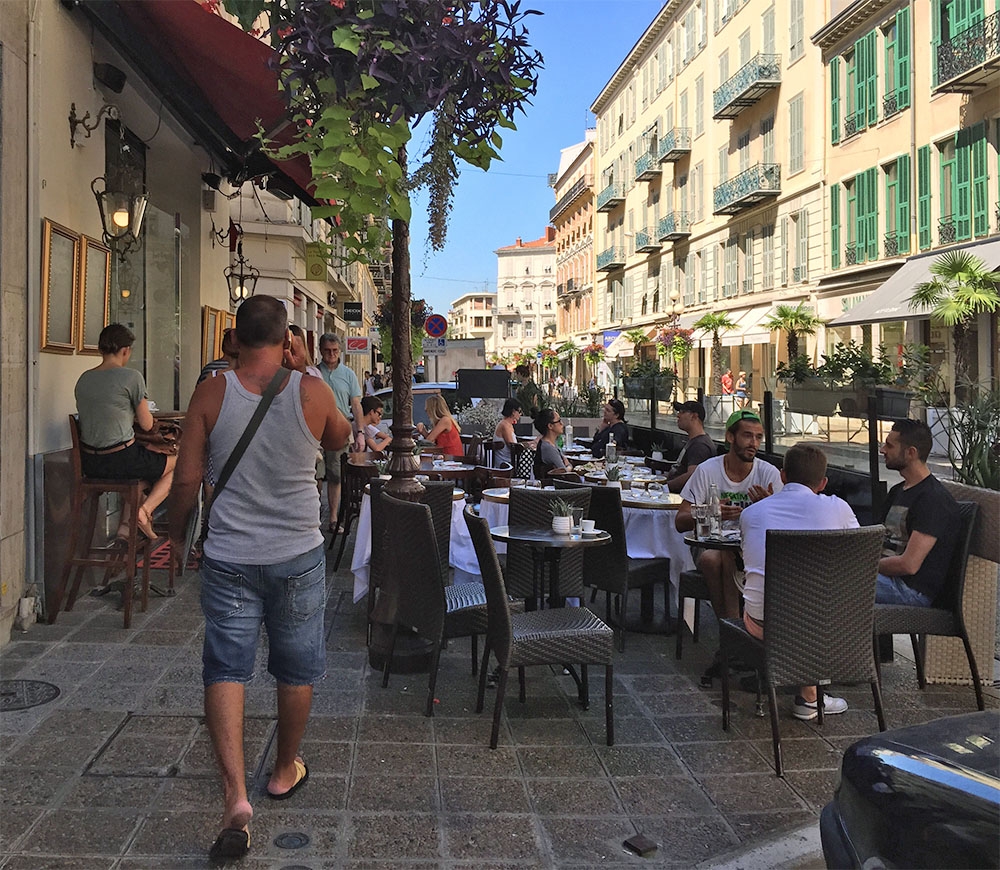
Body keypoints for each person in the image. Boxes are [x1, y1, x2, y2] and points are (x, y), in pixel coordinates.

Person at [167, 296, 351, 864]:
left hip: (229, 555)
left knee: (226, 667)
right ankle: (282, 769)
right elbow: (342, 439)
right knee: (296, 669)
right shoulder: (310, 389)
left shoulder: (210, 393)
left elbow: (187, 480)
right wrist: (306, 370)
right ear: (287, 339)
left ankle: (236, 799)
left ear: (234, 338)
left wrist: (175, 539)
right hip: (298, 553)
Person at [739, 443, 860, 720]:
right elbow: (854, 558)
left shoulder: (751, 514)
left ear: (782, 476)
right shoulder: (838, 509)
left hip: (764, 625)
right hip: (828, 626)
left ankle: (807, 696)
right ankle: (809, 697)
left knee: (770, 594)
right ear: (823, 482)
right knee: (814, 598)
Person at [676, 409, 782, 625]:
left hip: (754, 549)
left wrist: (768, 507)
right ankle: (731, 627)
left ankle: (730, 633)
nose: (753, 442)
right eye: (747, 435)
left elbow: (787, 524)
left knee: (723, 559)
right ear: (730, 437)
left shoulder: (769, 474)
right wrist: (709, 512)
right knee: (713, 558)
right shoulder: (707, 470)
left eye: (758, 437)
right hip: (711, 545)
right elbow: (680, 520)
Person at [74, 323, 177, 541]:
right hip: (122, 460)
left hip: (91, 463)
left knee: (140, 478)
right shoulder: (131, 377)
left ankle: (125, 528)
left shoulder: (84, 379)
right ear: (125, 350)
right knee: (179, 461)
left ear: (101, 349)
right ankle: (145, 511)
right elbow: (147, 424)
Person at [876, 419, 960, 606]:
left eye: (889, 445)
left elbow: (909, 564)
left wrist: (865, 567)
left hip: (911, 591)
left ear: (911, 453)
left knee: (837, 585)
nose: (882, 450)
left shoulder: (933, 499)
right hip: (886, 580)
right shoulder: (898, 491)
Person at [317, 333, 363, 533]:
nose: (331, 354)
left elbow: (356, 405)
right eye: (327, 350)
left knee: (336, 475)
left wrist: (360, 432)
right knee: (315, 476)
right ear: (321, 351)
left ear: (340, 351)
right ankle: (314, 514)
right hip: (316, 430)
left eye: (335, 351)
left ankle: (334, 518)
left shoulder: (348, 374)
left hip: (340, 429)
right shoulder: (314, 373)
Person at [666, 400, 716, 493]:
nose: (678, 415)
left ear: (694, 416)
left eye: (683, 412)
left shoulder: (700, 445)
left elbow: (692, 475)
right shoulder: (696, 441)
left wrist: (666, 487)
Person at [532, 408, 574, 479]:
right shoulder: (548, 448)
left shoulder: (551, 443)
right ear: (550, 426)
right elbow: (564, 472)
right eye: (559, 421)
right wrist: (570, 466)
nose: (562, 424)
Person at [493, 398, 522, 466]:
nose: (520, 414)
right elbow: (512, 446)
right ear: (513, 412)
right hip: (505, 464)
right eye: (519, 411)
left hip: (508, 461)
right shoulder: (505, 426)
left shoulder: (507, 424)